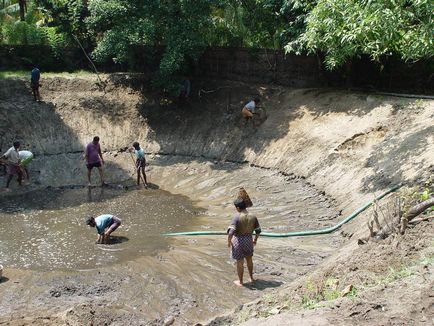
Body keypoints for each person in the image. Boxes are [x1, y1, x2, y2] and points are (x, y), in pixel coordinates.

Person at [227, 198, 261, 287]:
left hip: (238, 241)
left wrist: (229, 241)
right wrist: (255, 240)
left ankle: (241, 282)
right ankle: (251, 278)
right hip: (248, 240)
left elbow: (231, 232)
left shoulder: (236, 217)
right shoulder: (253, 216)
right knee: (249, 259)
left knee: (240, 262)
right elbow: (258, 231)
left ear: (238, 208)